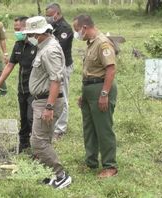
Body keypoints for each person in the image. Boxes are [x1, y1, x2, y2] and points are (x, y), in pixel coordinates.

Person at [23, 16, 71, 189]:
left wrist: (49, 107)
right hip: (41, 100)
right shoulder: (45, 46)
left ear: (41, 33)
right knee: (44, 139)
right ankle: (49, 173)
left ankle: (61, 175)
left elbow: (56, 80)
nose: (29, 37)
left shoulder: (50, 50)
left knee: (38, 142)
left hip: (46, 102)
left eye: (31, 34)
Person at [73, 14, 118, 178]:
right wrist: (83, 95)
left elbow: (111, 69)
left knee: (103, 129)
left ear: (84, 27)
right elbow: (89, 72)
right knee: (89, 128)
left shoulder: (102, 43)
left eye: (77, 30)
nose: (77, 34)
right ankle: (91, 162)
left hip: (101, 89)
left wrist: (104, 94)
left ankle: (110, 166)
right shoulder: (90, 44)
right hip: (89, 89)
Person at [0, 16, 36, 153]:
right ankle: (23, 144)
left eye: (18, 29)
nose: (16, 32)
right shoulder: (18, 45)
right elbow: (10, 65)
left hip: (35, 90)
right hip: (22, 88)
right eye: (14, 29)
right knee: (24, 118)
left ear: (27, 28)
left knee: (32, 118)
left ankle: (37, 147)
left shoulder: (37, 46)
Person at [45, 3, 74, 139]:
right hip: (52, 66)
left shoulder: (65, 29)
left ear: (57, 13)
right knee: (52, 95)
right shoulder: (52, 26)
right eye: (47, 16)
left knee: (63, 97)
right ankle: (51, 125)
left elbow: (57, 48)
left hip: (63, 67)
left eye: (50, 15)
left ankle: (60, 129)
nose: (48, 18)